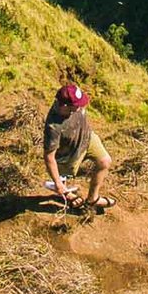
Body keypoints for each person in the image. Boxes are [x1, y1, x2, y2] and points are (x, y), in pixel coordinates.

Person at [41, 71, 115, 211]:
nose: (80, 107)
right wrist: (57, 182)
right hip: (69, 154)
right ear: (64, 106)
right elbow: (49, 157)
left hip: (88, 138)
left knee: (105, 162)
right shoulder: (54, 127)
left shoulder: (76, 106)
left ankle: (93, 199)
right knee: (63, 179)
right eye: (76, 105)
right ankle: (66, 194)